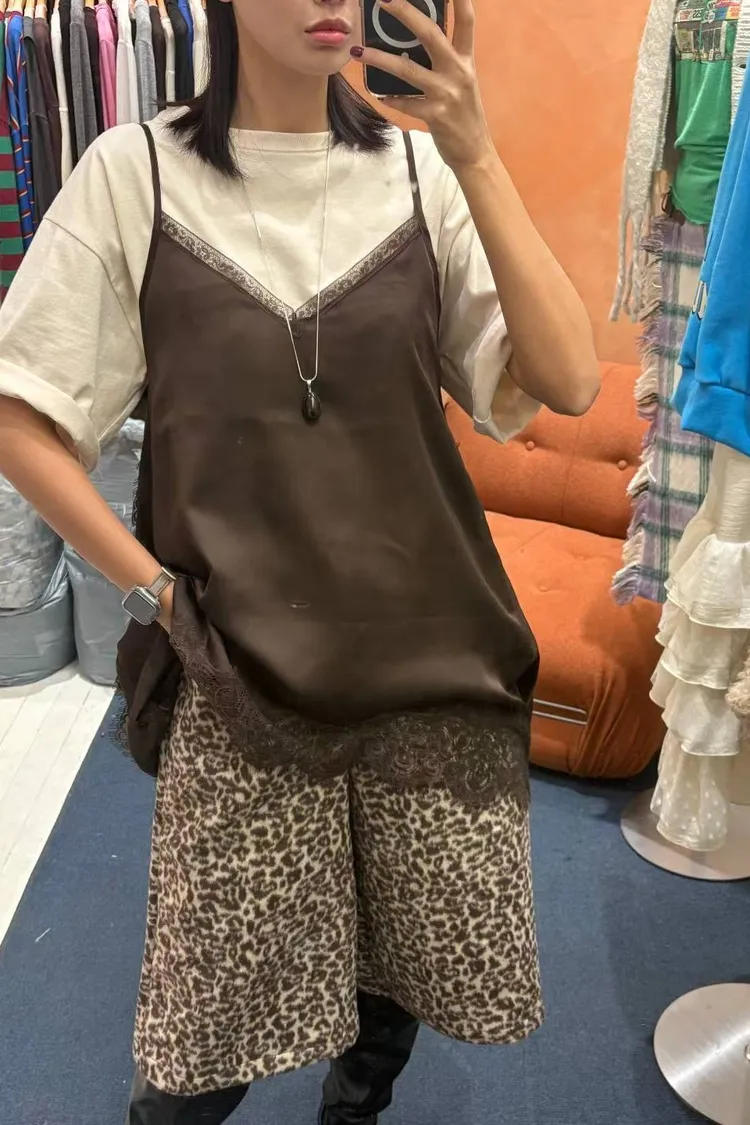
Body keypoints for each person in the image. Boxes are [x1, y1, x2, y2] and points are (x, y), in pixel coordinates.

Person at [0, 0, 600, 1121]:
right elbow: (21, 413)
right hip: (243, 685)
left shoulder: (421, 176)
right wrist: (154, 592)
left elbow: (567, 381)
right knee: (203, 1029)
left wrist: (476, 151)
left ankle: (354, 1109)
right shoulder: (137, 176)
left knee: (401, 957)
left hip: (431, 664)